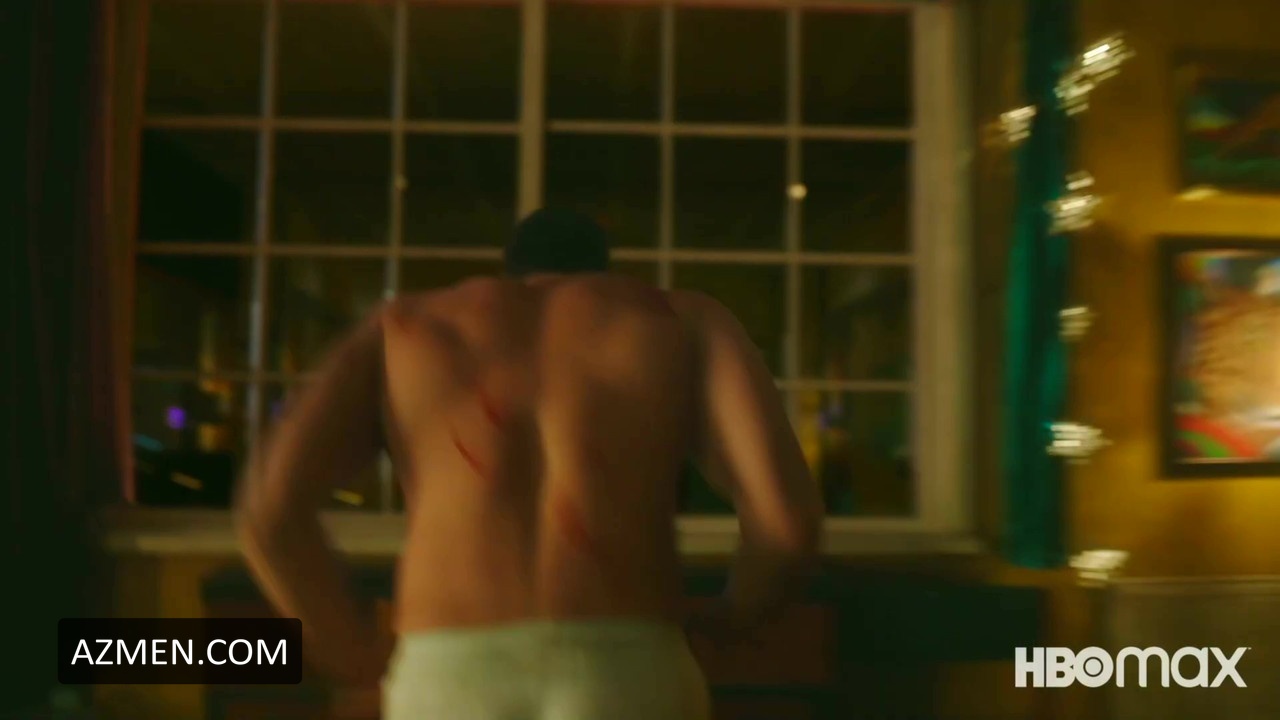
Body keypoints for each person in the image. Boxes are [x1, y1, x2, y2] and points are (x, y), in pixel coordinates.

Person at [236, 208, 823, 720]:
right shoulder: (683, 321)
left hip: (450, 672)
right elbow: (787, 524)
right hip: (629, 666)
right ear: (604, 270)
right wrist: (730, 621)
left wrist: (351, 653)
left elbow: (267, 512)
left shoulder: (403, 327)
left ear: (510, 268)